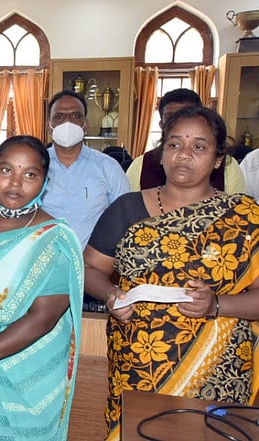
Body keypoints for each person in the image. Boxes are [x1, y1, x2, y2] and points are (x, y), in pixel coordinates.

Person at [83, 106, 259, 441]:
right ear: (161, 153)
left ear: (219, 158)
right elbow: (90, 268)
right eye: (174, 145)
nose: (184, 156)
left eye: (199, 147)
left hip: (218, 369)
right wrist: (110, 294)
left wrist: (216, 305)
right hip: (139, 367)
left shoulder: (244, 218)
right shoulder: (126, 207)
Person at [0, 135, 83, 440]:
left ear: (45, 182)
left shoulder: (54, 238)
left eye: (30, 175)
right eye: (6, 170)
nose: (15, 183)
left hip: (27, 370)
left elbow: (43, 318)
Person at [42, 90, 130, 247]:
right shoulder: (37, 165)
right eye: (59, 116)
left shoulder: (108, 167)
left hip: (92, 265)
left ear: (85, 125)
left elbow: (124, 218)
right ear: (49, 126)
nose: (67, 122)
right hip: (41, 260)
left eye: (75, 116)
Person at [126, 88, 245, 193]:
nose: (184, 155)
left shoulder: (228, 165)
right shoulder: (141, 165)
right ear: (161, 125)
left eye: (199, 147)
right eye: (171, 118)